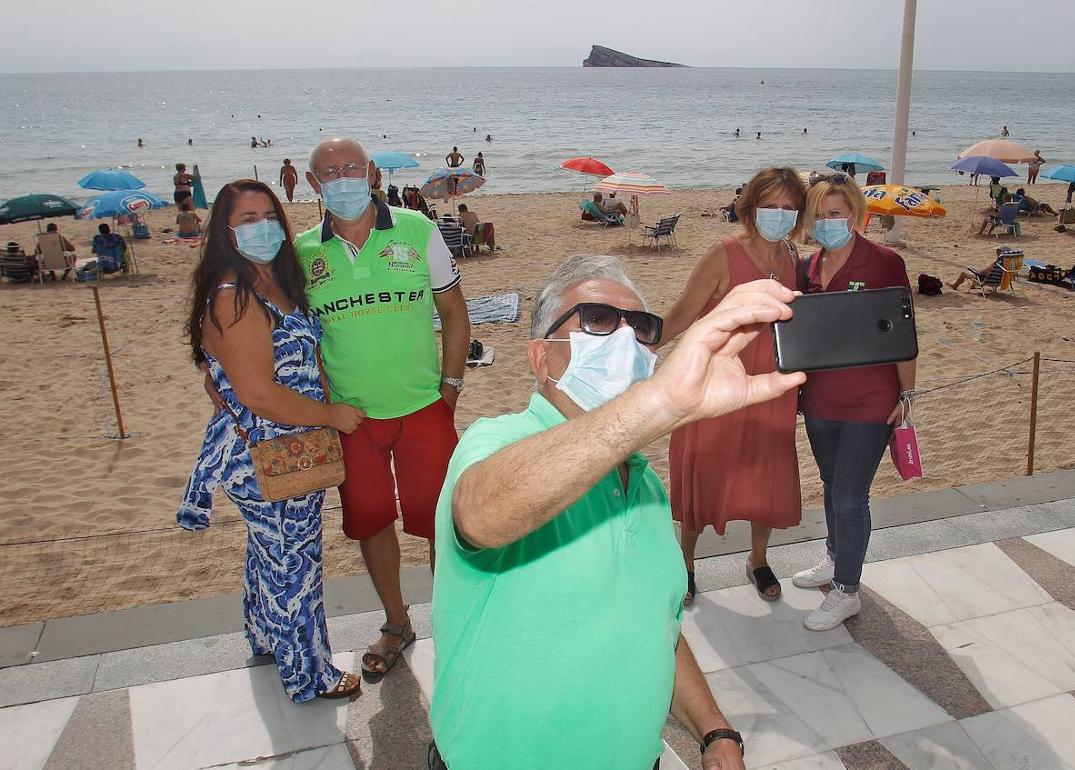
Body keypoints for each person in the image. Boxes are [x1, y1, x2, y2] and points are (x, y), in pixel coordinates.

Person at [430, 253, 780, 770]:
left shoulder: (647, 487)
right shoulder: (498, 439)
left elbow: (655, 625)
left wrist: (713, 729)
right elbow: (482, 514)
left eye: (641, 328)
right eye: (597, 320)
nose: (624, 339)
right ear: (540, 357)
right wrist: (657, 405)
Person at [178, 179, 365, 702]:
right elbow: (260, 394)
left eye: (269, 217)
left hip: (282, 449)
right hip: (268, 453)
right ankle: (310, 674)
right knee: (294, 563)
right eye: (247, 220)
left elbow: (235, 366)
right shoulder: (235, 296)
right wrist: (333, 415)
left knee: (271, 555)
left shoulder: (270, 283)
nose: (262, 228)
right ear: (225, 231)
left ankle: (266, 637)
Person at [299, 137, 469, 680]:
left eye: (351, 167)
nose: (342, 177)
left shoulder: (418, 229)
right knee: (372, 521)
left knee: (441, 522)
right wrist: (325, 405)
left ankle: (454, 620)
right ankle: (397, 622)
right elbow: (298, 337)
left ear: (371, 172)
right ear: (312, 184)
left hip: (425, 408)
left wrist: (450, 387)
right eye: (328, 171)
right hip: (353, 419)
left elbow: (454, 310)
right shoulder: (301, 252)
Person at [662, 167, 806, 604]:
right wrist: (632, 341)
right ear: (750, 208)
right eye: (770, 206)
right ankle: (685, 562)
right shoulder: (722, 254)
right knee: (704, 469)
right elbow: (683, 313)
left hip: (771, 386)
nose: (778, 215)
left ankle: (757, 559)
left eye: (788, 208)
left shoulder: (793, 259)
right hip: (717, 384)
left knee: (766, 472)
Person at [790, 172, 916, 630]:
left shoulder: (884, 262)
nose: (827, 223)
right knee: (830, 483)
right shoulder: (806, 268)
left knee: (849, 496)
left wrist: (907, 394)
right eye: (820, 215)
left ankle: (847, 590)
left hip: (871, 399)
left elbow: (904, 333)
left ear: (856, 215)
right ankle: (834, 558)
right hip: (821, 399)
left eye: (836, 214)